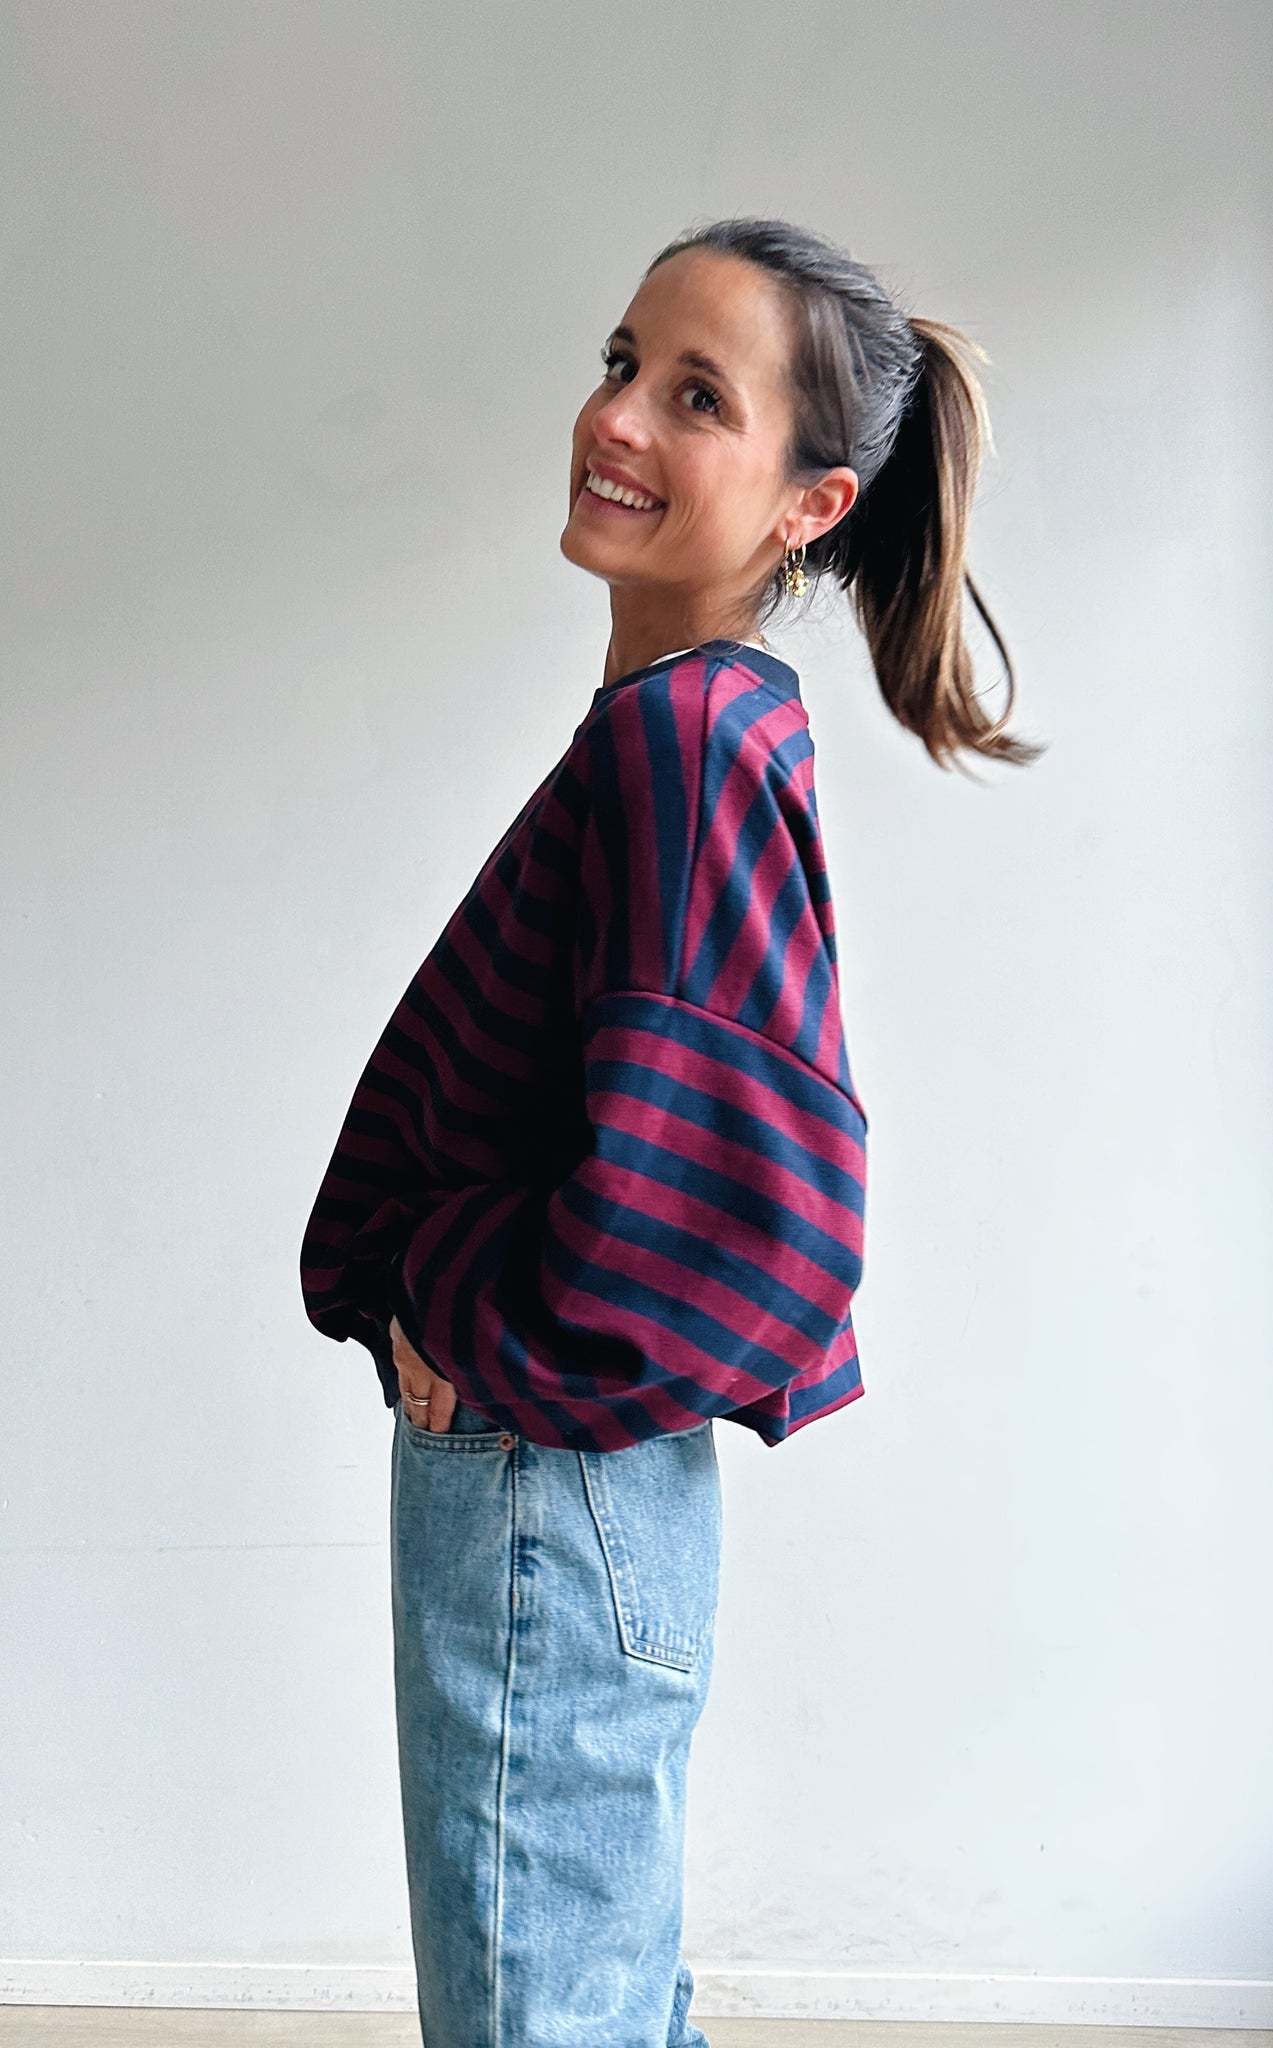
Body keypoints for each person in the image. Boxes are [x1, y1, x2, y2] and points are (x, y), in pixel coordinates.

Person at [299, 215, 1033, 2048]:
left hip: (547, 1481)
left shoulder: (684, 743)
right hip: (569, 1483)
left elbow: (759, 1220)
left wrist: (460, 1309)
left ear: (809, 504)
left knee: (545, 2017)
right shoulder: (673, 726)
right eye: (622, 362)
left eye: (698, 398)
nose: (617, 418)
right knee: (587, 2001)